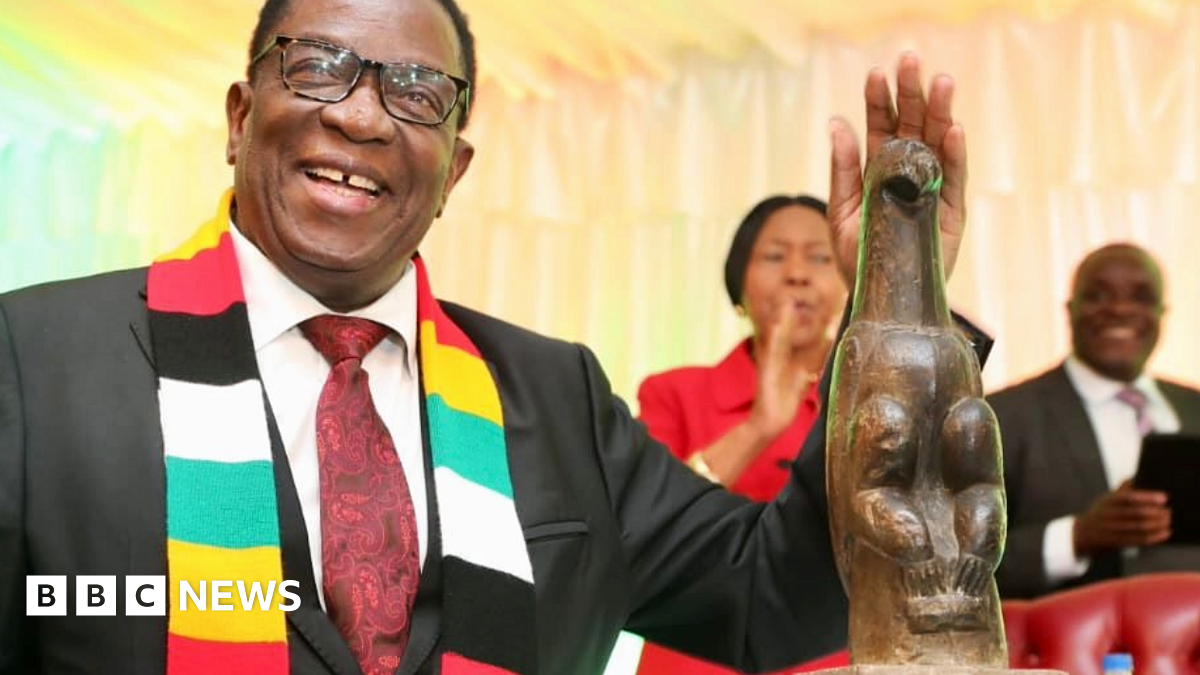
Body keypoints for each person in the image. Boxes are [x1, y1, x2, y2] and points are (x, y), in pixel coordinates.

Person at [0, 0, 977, 671]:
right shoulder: (34, 365)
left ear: (455, 170)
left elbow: (774, 597)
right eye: (318, 66)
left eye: (418, 92)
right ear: (241, 115)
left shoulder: (552, 397)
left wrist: (901, 302)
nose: (363, 117)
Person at [634, 196, 848, 675]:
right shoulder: (673, 393)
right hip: (697, 655)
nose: (797, 274)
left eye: (820, 257)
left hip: (830, 655)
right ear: (738, 284)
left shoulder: (868, 400)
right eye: (775, 256)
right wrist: (760, 427)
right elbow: (649, 531)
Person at [990, 243, 1200, 599]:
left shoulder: (1194, 407)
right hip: (1071, 646)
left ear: (1161, 313)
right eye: (1098, 295)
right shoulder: (1000, 418)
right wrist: (1078, 536)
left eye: (1141, 297)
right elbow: (955, 563)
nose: (1119, 309)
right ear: (1070, 310)